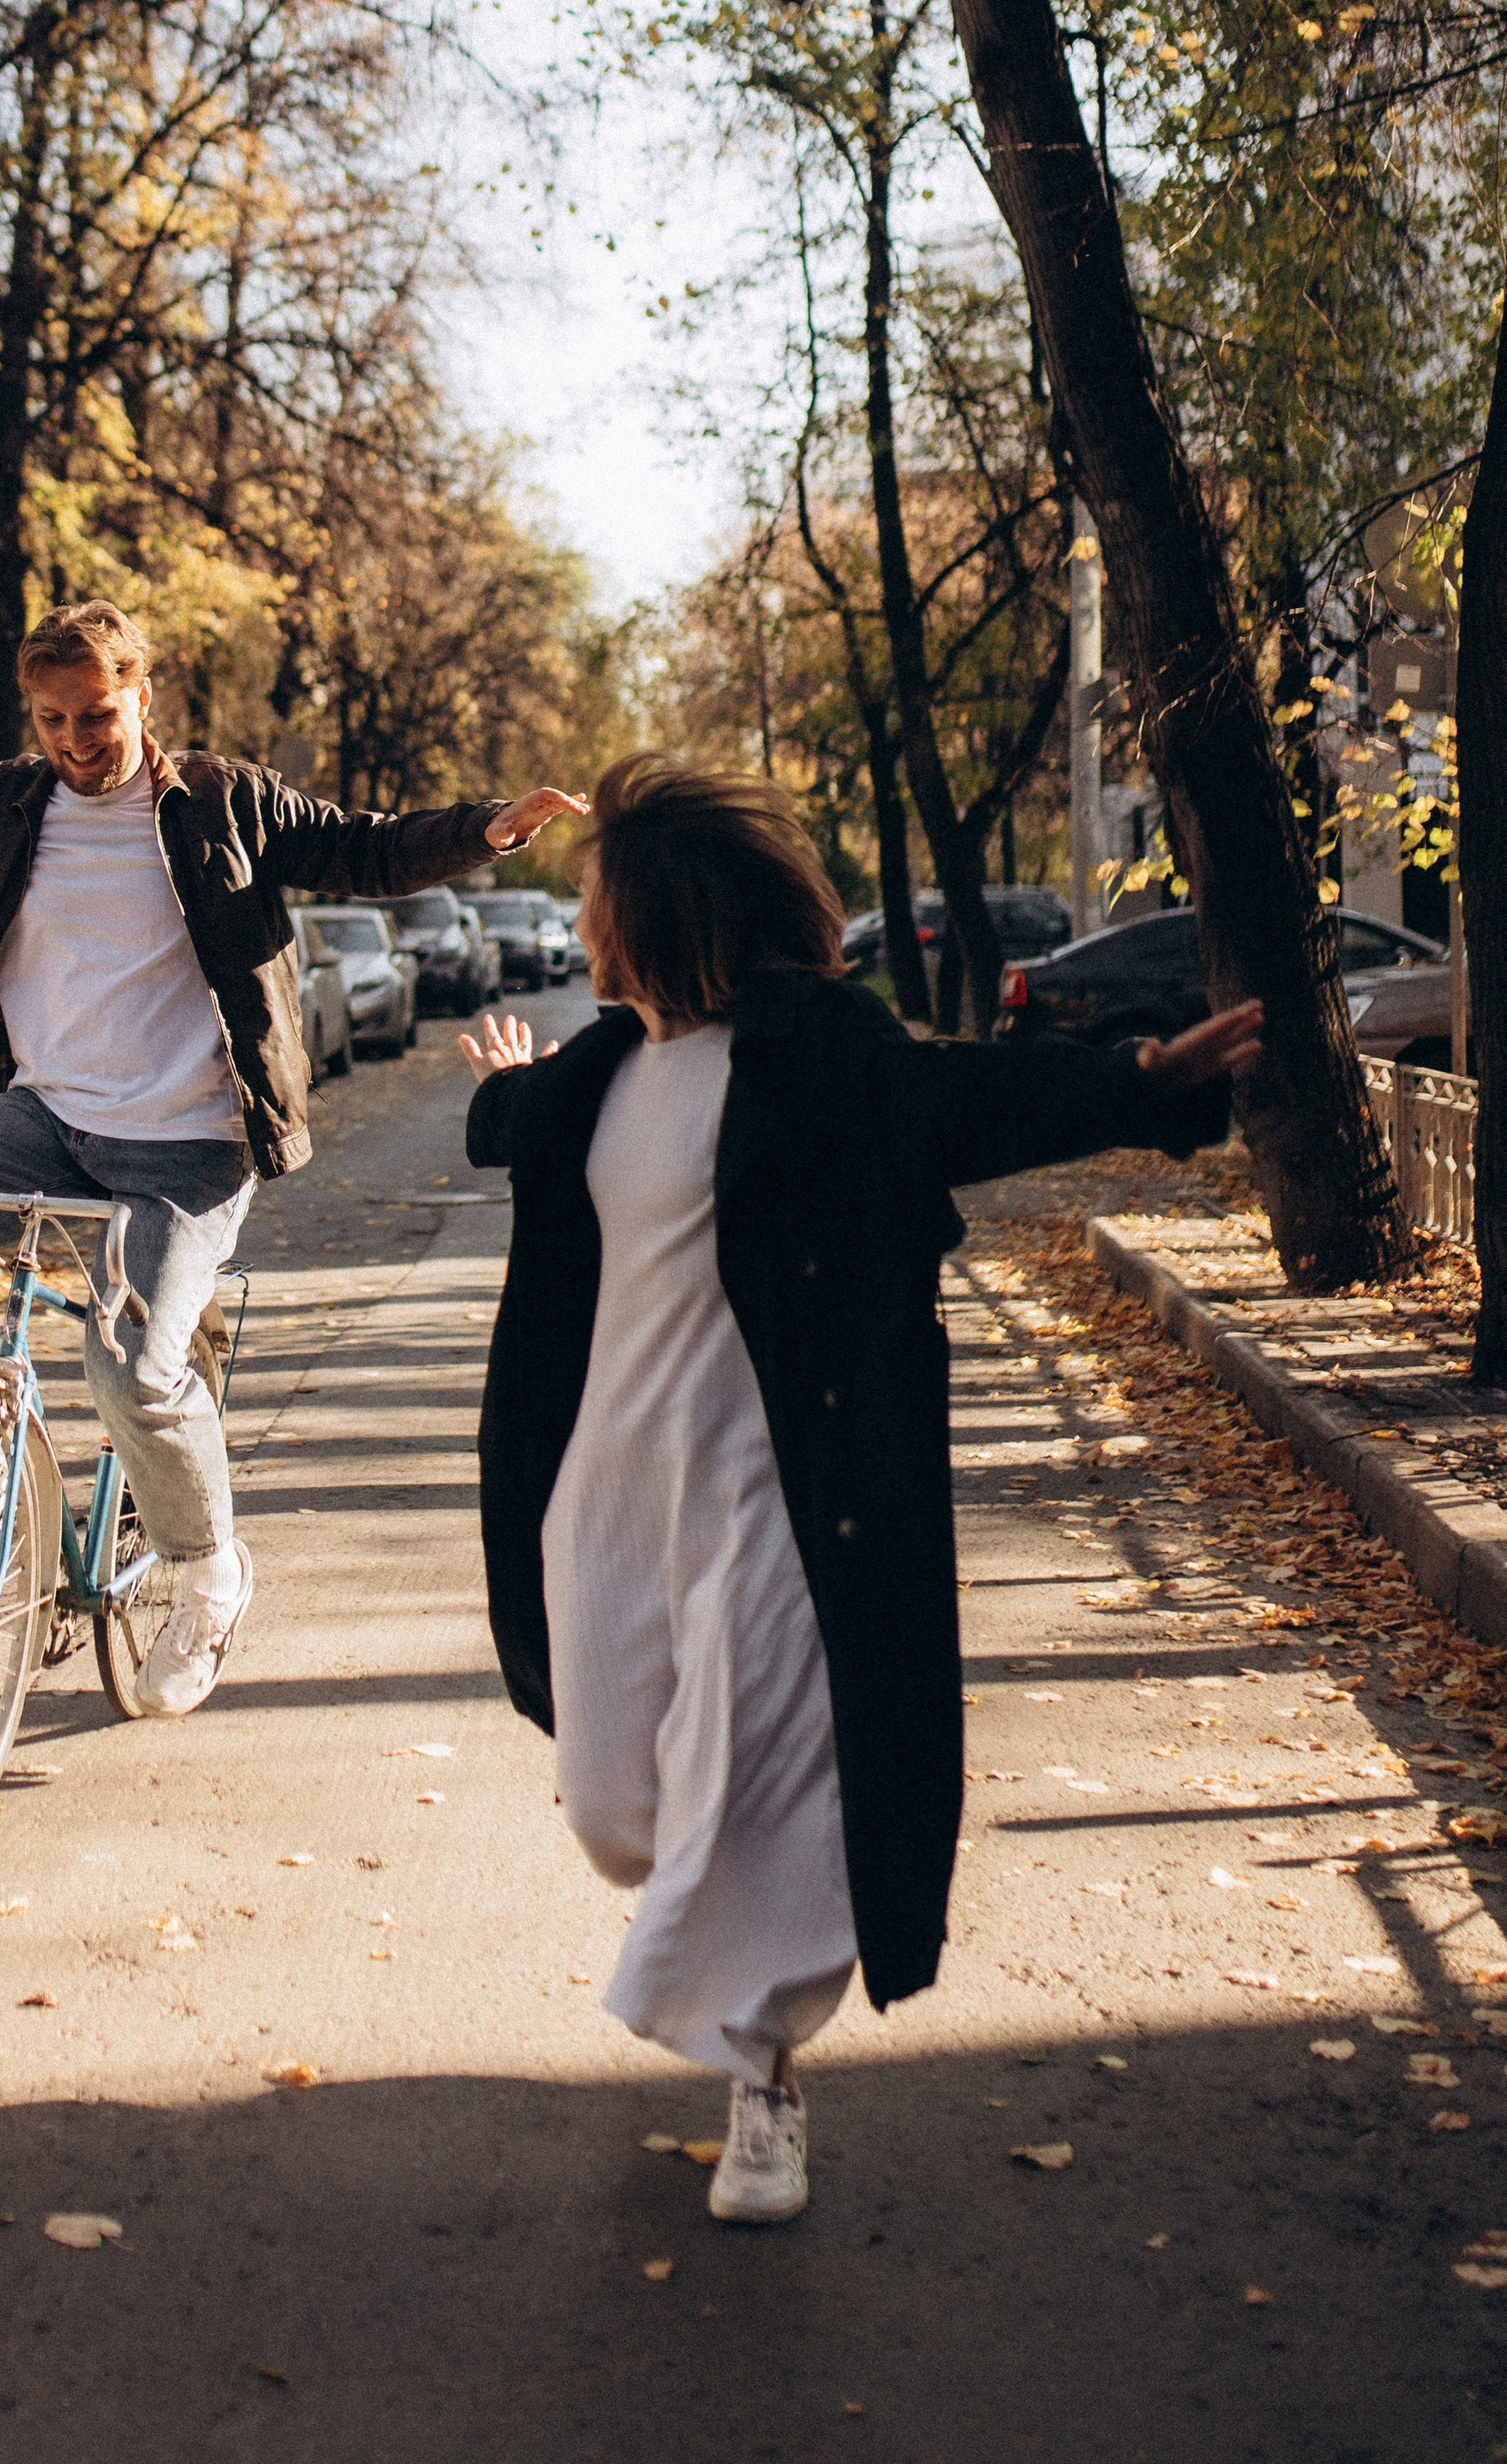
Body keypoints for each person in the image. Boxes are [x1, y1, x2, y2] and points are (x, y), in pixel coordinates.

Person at [459, 754, 1262, 2224]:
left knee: (757, 1784)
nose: (579, 928)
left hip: (784, 1484)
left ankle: (759, 2077)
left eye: (591, 902)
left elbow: (958, 1100)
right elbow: (529, 1136)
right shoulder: (595, 1073)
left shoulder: (815, 1049)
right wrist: (502, 1092)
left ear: (653, 911)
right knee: (611, 1810)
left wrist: (1134, 1084)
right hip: (607, 1489)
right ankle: (707, 1918)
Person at [0, 601, 584, 1715]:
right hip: (51, 1117)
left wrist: (490, 829)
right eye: (53, 718)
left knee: (131, 1367)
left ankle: (208, 1572)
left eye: (99, 713)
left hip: (193, 1142)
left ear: (142, 696)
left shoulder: (222, 800)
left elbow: (362, 846)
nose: (78, 738)